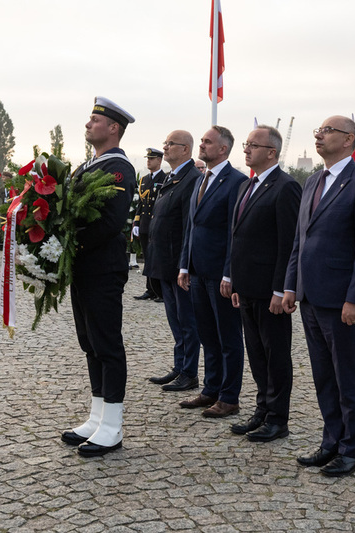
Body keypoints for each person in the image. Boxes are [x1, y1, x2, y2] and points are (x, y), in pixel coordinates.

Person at [282, 115, 355, 477]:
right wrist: (291, 285)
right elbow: (301, 239)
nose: (319, 136)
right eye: (318, 131)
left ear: (348, 139)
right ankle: (331, 442)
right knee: (324, 376)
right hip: (310, 297)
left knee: (348, 377)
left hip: (341, 300)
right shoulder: (312, 181)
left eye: (327, 131)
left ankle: (353, 450)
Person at [60, 96, 136, 457]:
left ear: (113, 128)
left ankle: (113, 425)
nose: (88, 124)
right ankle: (97, 416)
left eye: (95, 119)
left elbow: (109, 222)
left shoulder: (118, 168)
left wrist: (69, 243)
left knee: (107, 343)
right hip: (84, 267)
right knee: (89, 342)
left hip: (103, 266)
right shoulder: (87, 166)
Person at [230, 125, 301, 441]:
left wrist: (280, 288)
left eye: (253, 145)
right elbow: (239, 237)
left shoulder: (286, 187)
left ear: (272, 152)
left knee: (276, 356)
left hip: (270, 290)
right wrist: (236, 283)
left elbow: (288, 243)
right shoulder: (247, 185)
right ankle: (262, 410)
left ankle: (277, 419)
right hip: (247, 286)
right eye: (246, 144)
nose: (246, 149)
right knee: (256, 354)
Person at [176, 126, 247, 418]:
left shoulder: (237, 182)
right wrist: (184, 265)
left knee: (228, 337)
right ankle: (211, 389)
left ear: (223, 149)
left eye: (207, 142)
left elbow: (235, 233)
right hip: (197, 271)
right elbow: (191, 227)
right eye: (202, 141)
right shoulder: (201, 179)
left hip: (220, 274)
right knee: (207, 335)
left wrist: (230, 274)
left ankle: (229, 397)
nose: (202, 145)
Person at [145, 131, 202, 393]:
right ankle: (180, 366)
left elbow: (189, 226)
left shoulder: (192, 179)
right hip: (165, 262)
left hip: (178, 264)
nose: (165, 147)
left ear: (185, 149)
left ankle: (189, 372)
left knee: (187, 321)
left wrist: (184, 265)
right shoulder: (173, 176)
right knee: (175, 320)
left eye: (170, 144)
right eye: (165, 143)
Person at [132, 148, 166, 302]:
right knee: (147, 258)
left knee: (157, 258)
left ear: (159, 160)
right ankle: (150, 289)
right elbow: (141, 203)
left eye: (151, 159)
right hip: (145, 224)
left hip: (156, 224)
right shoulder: (144, 180)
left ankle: (160, 290)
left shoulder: (164, 178)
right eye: (148, 158)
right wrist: (136, 222)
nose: (148, 161)